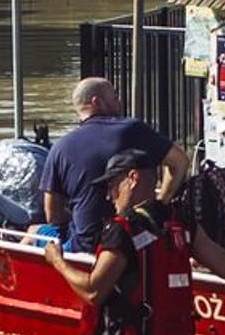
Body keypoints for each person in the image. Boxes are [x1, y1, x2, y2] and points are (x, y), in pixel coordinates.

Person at [42, 149, 225, 335]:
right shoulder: (180, 222)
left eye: (113, 185)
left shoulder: (122, 231)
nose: (108, 195)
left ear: (132, 179)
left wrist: (57, 261)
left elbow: (92, 291)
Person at [39, 77, 188, 252]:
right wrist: (161, 202)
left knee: (33, 232)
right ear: (97, 102)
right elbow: (180, 161)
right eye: (115, 97)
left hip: (87, 245)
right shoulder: (132, 130)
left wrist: (80, 215)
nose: (120, 102)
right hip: (138, 238)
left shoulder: (59, 148)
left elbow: (52, 215)